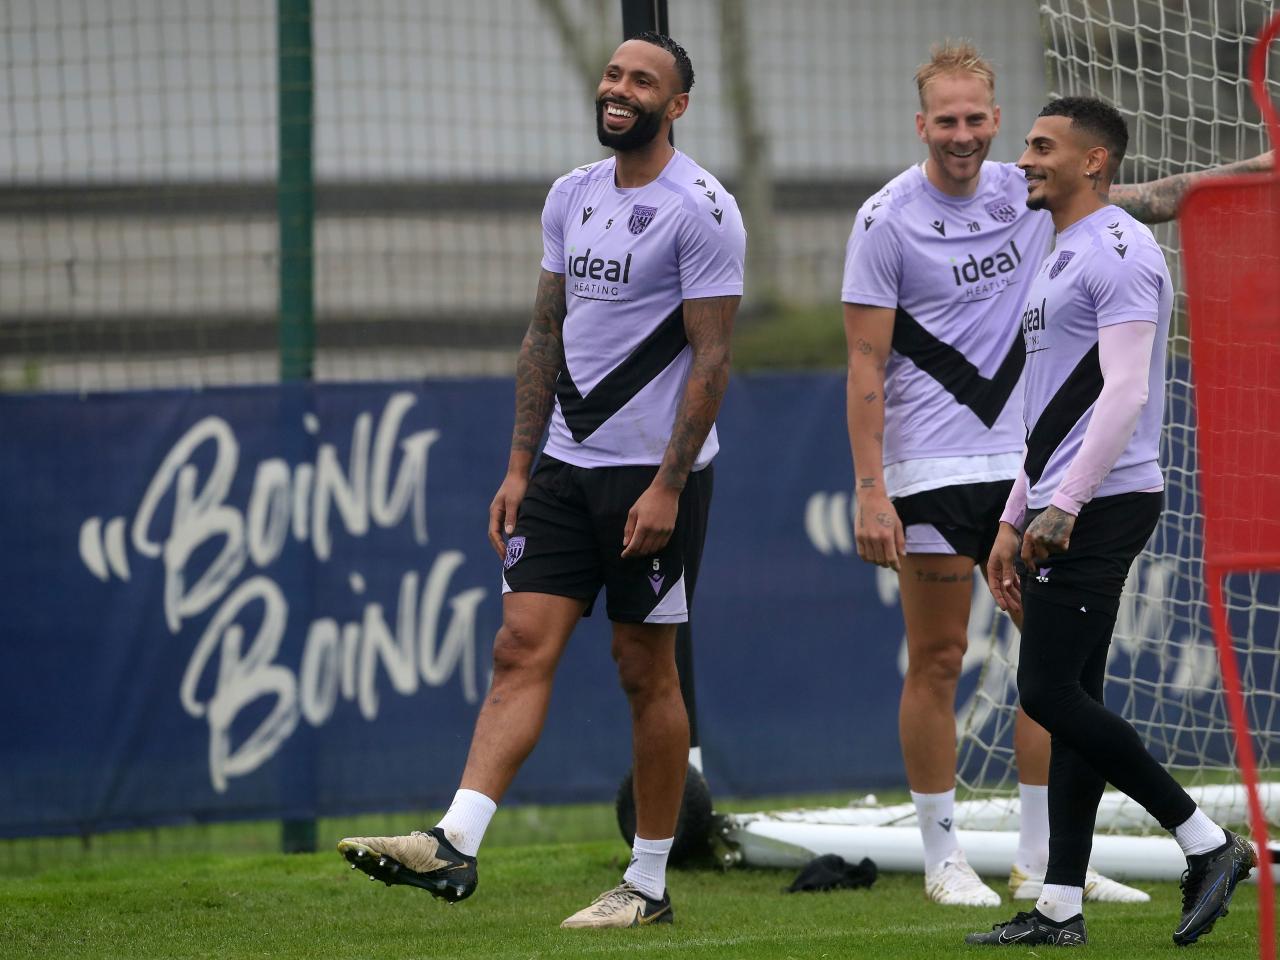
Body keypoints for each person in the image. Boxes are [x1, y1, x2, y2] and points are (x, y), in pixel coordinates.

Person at [840, 40, 1271, 907]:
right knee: (939, 657)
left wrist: (1264, 166)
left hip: (1032, 472)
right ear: (921, 124)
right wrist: (871, 487)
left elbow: (1160, 197)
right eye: (945, 121)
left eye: (976, 120)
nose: (962, 136)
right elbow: (862, 362)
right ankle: (943, 857)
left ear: (994, 122)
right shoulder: (885, 218)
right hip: (930, 466)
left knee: (1052, 675)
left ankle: (1044, 862)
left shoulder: (1032, 189)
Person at [337, 32, 745, 930]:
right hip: (562, 468)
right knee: (518, 646)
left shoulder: (704, 208)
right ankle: (455, 844)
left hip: (653, 479)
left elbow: (713, 358)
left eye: (642, 81)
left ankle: (646, 883)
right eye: (613, 74)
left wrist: (669, 485)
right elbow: (544, 332)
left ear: (675, 105)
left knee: (645, 670)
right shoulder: (570, 195)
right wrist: (519, 466)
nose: (619, 89)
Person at [966, 96, 1257, 948]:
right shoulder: (1058, 255)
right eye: (1026, 145)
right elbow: (1050, 410)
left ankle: (1207, 843)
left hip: (1104, 499)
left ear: (1095, 161)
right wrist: (1014, 519)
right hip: (1061, 501)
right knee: (1073, 702)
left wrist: (1065, 505)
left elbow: (1127, 390)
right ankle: (1060, 908)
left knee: (1047, 692)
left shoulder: (1122, 250)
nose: (1024, 159)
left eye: (1042, 146)